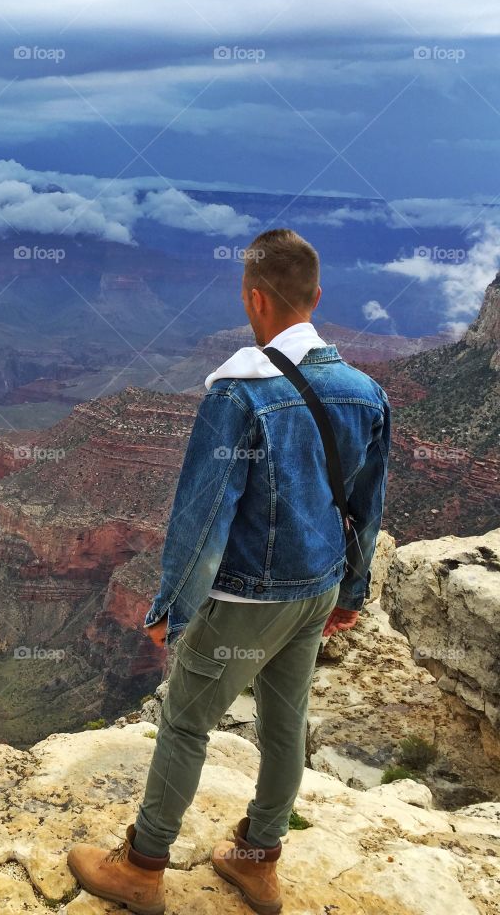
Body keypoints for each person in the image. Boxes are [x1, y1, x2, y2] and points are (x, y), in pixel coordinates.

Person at [66, 228, 391, 915]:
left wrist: (171, 609)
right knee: (284, 722)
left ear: (253, 299)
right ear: (317, 297)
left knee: (185, 724)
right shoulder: (367, 392)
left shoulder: (239, 395)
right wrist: (352, 592)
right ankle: (256, 859)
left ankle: (143, 867)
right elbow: (368, 504)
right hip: (318, 589)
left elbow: (202, 515)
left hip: (249, 597)